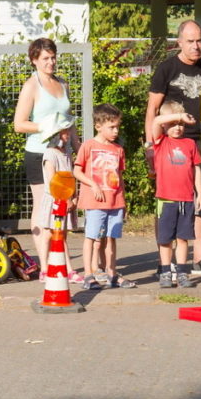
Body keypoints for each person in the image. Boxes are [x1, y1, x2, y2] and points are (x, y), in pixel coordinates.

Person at [145, 20, 201, 279]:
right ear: (179, 42)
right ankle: (165, 263)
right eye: (190, 41)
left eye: (199, 40)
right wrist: (150, 146)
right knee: (169, 202)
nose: (196, 46)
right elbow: (152, 109)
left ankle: (200, 259)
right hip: (171, 144)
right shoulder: (166, 68)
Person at [14, 37, 79, 277]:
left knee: (63, 207)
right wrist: (46, 126)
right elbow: (19, 124)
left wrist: (78, 147)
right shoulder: (31, 86)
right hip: (39, 154)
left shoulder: (62, 83)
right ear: (34, 60)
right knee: (44, 207)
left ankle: (63, 264)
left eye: (53, 57)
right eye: (45, 58)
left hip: (63, 155)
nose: (50, 62)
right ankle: (45, 266)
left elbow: (69, 121)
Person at [73, 103, 129, 290]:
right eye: (111, 127)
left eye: (117, 126)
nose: (116, 131)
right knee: (91, 237)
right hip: (95, 202)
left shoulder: (118, 149)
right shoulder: (88, 146)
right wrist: (93, 184)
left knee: (112, 238)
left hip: (115, 202)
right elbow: (77, 171)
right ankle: (88, 275)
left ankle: (112, 273)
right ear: (98, 126)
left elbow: (119, 177)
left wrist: (123, 201)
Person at [150, 102, 201, 289]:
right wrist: (180, 116)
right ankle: (166, 271)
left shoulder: (190, 144)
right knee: (165, 239)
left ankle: (182, 272)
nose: (178, 127)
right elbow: (156, 121)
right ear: (166, 125)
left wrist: (200, 194)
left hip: (186, 199)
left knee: (183, 238)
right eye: (173, 124)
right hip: (166, 200)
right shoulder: (161, 142)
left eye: (181, 124)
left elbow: (196, 169)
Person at [37, 113, 82, 283]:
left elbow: (71, 177)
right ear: (55, 134)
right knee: (50, 233)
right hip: (55, 200)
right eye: (64, 131)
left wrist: (74, 196)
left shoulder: (67, 153)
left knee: (62, 235)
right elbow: (53, 181)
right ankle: (45, 269)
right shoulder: (50, 154)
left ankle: (65, 269)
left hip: (67, 199)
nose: (68, 134)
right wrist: (65, 198)